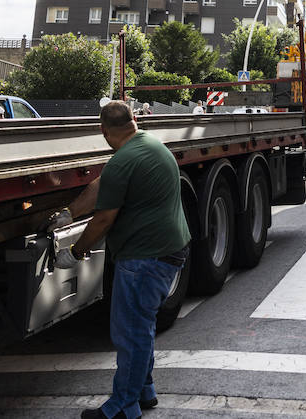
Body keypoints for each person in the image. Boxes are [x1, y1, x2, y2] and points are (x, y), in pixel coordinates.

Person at [51, 100, 191, 419]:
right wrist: (70, 212)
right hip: (170, 249)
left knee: (129, 331)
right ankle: (144, 389)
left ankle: (122, 406)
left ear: (103, 131)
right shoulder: (148, 146)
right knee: (142, 325)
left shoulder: (123, 161)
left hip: (146, 257)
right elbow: (101, 186)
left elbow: (103, 221)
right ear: (134, 120)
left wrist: (74, 253)